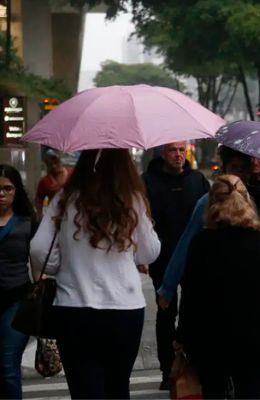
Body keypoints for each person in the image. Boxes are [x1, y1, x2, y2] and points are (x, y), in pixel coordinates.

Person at [30, 149, 161, 399]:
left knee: (84, 390)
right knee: (118, 385)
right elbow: (149, 252)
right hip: (124, 309)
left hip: (74, 306)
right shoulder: (132, 199)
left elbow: (38, 249)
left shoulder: (65, 197)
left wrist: (63, 265)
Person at [176, 175, 260, 399]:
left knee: (213, 391)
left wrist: (181, 336)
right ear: (247, 202)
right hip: (254, 338)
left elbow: (190, 296)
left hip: (210, 338)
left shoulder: (202, 243)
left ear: (212, 204)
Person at [157, 147, 260, 309]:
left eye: (244, 169)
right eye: (235, 168)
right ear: (225, 168)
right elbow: (186, 243)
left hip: (252, 287)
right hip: (215, 286)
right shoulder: (208, 202)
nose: (239, 174)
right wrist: (168, 288)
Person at [141, 141, 210, 390]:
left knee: (193, 313)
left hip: (195, 258)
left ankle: (192, 365)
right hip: (162, 256)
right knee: (166, 313)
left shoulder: (198, 180)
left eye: (182, 150)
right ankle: (167, 369)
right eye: (173, 150)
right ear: (163, 153)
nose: (178, 155)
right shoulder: (147, 180)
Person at [0, 165, 37, 399]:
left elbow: (38, 264)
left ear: (16, 191)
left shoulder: (27, 222)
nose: (1, 194)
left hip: (16, 301)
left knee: (6, 364)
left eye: (7, 188)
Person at [35, 151, 72, 219]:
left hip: (71, 213)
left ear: (61, 161)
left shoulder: (72, 175)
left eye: (56, 162)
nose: (54, 166)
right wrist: (40, 214)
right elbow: (39, 199)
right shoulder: (45, 181)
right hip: (53, 214)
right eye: (50, 164)